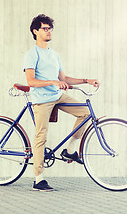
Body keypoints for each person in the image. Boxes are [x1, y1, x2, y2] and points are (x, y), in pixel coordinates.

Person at [23, 14, 100, 191]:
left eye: (50, 28)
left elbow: (64, 78)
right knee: (41, 135)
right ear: (35, 31)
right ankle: (38, 178)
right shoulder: (31, 54)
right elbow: (31, 81)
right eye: (45, 28)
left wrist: (86, 80)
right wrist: (53, 82)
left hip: (57, 95)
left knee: (84, 113)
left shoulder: (54, 55)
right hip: (41, 99)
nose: (48, 31)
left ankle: (70, 150)